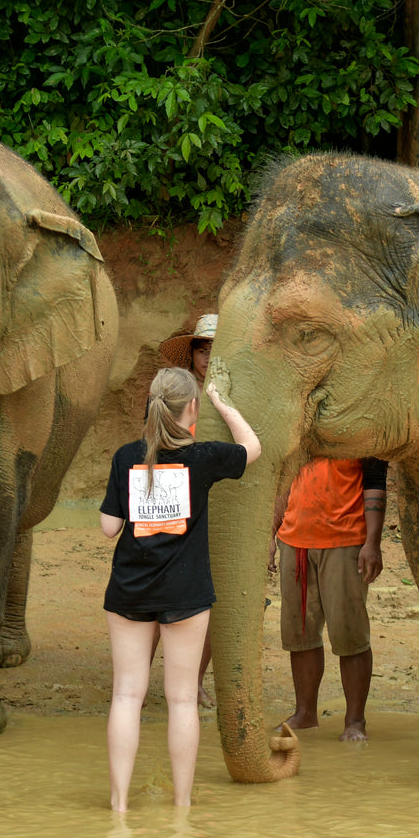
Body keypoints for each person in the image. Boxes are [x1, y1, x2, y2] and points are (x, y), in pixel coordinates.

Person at [99, 367, 261, 811]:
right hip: (185, 592)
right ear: (191, 409)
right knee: (183, 698)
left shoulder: (126, 456)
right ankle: (182, 807)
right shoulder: (204, 457)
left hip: (130, 590)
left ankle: (118, 807)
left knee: (126, 695)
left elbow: (109, 527)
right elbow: (253, 448)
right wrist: (223, 403)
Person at [272, 456, 388, 742]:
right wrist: (270, 536)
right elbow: (284, 482)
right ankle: (305, 713)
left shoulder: (363, 429)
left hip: (345, 541)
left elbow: (375, 483)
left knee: (350, 634)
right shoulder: (301, 427)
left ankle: (355, 720)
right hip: (294, 540)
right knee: (300, 634)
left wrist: (372, 543)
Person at [159, 312, 218, 706]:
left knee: (205, 599)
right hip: (172, 503)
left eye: (215, 348)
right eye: (202, 348)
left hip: (216, 506)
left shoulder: (232, 394)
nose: (208, 356)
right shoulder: (177, 397)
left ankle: (193, 681)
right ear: (192, 353)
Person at [159, 313, 216, 384]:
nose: (208, 359)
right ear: (191, 353)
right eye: (202, 351)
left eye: (214, 352)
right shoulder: (177, 385)